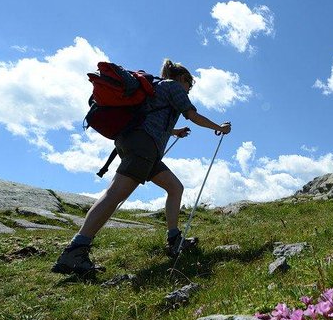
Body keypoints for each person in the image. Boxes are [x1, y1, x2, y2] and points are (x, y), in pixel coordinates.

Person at [52, 59, 231, 274]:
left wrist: (174, 132)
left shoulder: (156, 87)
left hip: (135, 143)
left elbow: (148, 116)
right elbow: (192, 115)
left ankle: (174, 239)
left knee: (175, 187)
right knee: (115, 193)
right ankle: (75, 251)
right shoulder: (173, 86)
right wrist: (218, 127)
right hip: (144, 147)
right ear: (182, 78)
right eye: (190, 84)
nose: (189, 89)